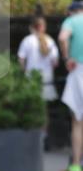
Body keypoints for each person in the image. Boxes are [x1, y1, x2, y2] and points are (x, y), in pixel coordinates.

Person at [17, 16, 59, 145]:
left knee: (30, 108)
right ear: (43, 27)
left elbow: (21, 59)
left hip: (31, 78)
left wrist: (23, 72)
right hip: (46, 78)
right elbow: (55, 63)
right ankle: (43, 135)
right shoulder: (50, 41)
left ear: (32, 27)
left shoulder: (27, 40)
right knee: (43, 108)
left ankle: (31, 135)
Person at [58, 0, 83, 171]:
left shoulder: (72, 21)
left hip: (79, 70)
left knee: (77, 121)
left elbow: (62, 38)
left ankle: (75, 165)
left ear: (71, 11)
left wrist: (67, 58)